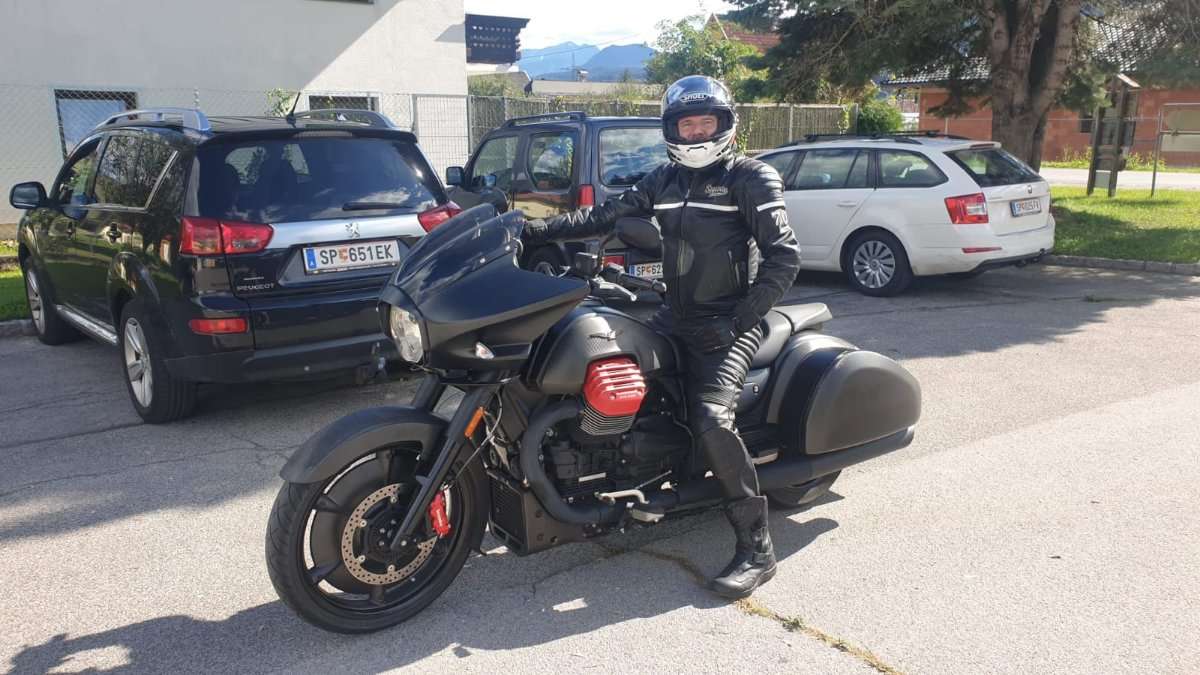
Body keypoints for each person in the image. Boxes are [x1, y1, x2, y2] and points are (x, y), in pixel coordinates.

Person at [523, 75, 802, 598]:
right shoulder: (664, 179)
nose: (697, 134)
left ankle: (757, 547)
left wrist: (737, 321)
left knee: (711, 418)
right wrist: (528, 229)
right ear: (672, 129)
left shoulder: (750, 178)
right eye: (686, 124)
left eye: (706, 123)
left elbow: (784, 259)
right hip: (673, 314)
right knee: (614, 373)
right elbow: (604, 215)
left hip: (729, 323)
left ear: (725, 125)